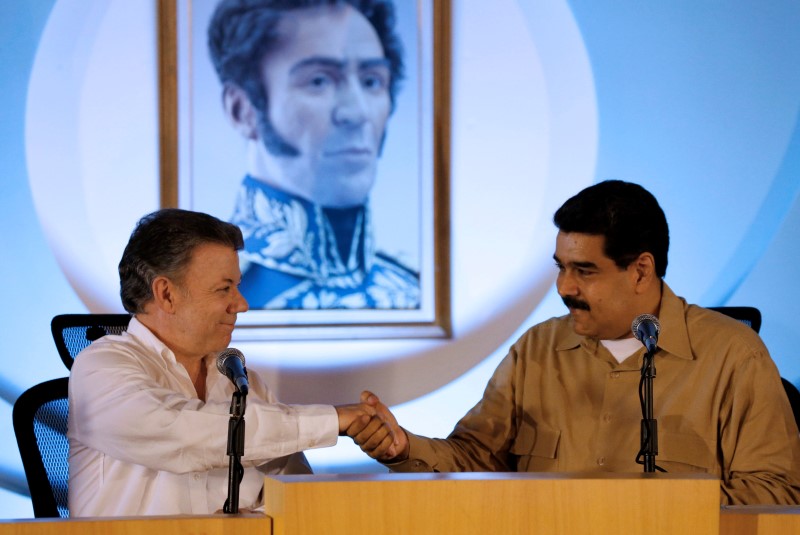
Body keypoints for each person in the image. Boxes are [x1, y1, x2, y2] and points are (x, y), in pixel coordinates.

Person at [351, 180, 800, 505]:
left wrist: (657, 506)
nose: (564, 287)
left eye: (584, 270)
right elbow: (475, 458)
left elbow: (776, 494)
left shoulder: (734, 357)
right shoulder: (536, 351)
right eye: (560, 267)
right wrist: (405, 448)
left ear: (641, 271)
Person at [67, 208, 391, 516]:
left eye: (237, 286)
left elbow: (297, 492)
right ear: (166, 294)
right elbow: (184, 434)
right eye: (225, 289)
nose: (242, 304)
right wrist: (333, 420)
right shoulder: (100, 368)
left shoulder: (238, 380)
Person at [207, 0, 419, 310]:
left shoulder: (413, 291)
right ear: (242, 110)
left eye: (372, 81)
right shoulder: (203, 295)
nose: (357, 112)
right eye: (319, 81)